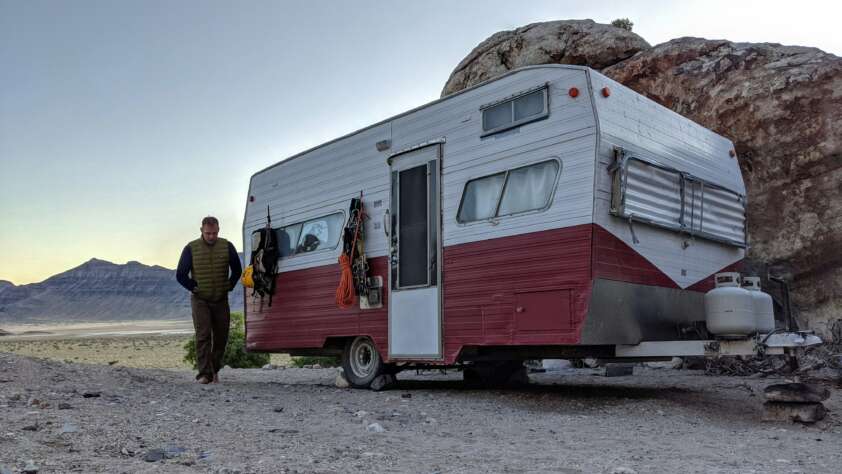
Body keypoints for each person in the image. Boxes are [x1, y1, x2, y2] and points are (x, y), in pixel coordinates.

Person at [176, 216, 242, 384]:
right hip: (200, 299)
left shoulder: (227, 246)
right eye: (208, 233)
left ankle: (214, 369)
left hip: (221, 298)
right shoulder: (191, 248)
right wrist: (193, 287)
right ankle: (205, 374)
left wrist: (230, 285)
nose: (211, 236)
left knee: (221, 337)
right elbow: (180, 275)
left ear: (218, 230)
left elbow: (237, 269)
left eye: (214, 233)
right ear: (201, 231)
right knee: (203, 335)